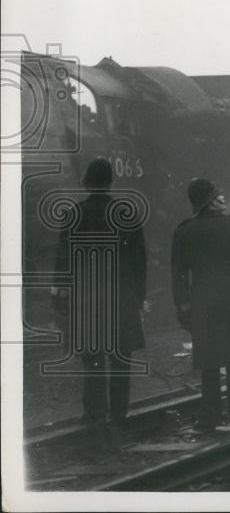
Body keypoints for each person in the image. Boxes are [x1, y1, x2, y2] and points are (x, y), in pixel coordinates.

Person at [51, 157, 147, 428]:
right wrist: (139, 298)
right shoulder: (126, 213)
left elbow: (63, 262)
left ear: (87, 184)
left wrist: (59, 300)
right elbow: (139, 261)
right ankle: (119, 413)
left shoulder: (74, 214)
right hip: (121, 300)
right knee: (120, 360)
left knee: (92, 360)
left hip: (87, 300)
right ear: (110, 182)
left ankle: (94, 414)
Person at [171, 178, 230, 432]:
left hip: (204, 305)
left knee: (209, 365)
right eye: (218, 196)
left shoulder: (184, 231)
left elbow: (178, 276)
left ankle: (209, 419)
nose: (223, 200)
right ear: (209, 200)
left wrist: (183, 307)